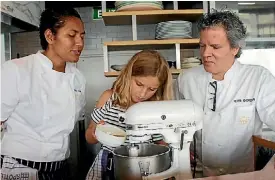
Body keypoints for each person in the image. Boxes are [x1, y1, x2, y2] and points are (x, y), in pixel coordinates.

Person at [177, 10, 275, 177]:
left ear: (235, 48)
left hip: (241, 175)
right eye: (202, 46)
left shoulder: (258, 78)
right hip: (198, 175)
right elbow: (175, 126)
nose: (205, 54)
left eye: (215, 47)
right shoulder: (186, 80)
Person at [1, 7, 86, 180]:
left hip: (60, 165)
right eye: (72, 35)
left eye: (82, 36)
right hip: (20, 165)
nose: (80, 43)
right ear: (50, 36)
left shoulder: (77, 78)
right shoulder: (17, 70)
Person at [85, 50, 174, 180]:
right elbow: (89, 135)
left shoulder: (154, 109)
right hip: (108, 165)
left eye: (152, 89)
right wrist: (96, 134)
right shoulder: (109, 98)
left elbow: (160, 143)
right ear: (128, 75)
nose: (143, 94)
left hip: (143, 167)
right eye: (139, 84)